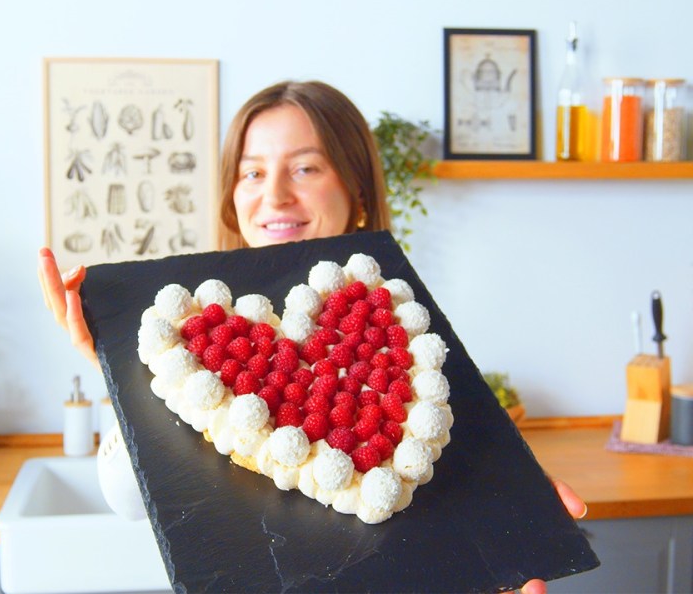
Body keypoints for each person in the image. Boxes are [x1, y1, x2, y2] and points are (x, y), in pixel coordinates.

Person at [38, 80, 586, 594]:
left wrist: (511, 518)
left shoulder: (410, 340)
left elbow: (454, 511)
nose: (274, 195)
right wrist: (114, 369)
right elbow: (131, 500)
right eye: (251, 173)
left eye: (304, 169)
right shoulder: (193, 339)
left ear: (357, 189)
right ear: (232, 195)